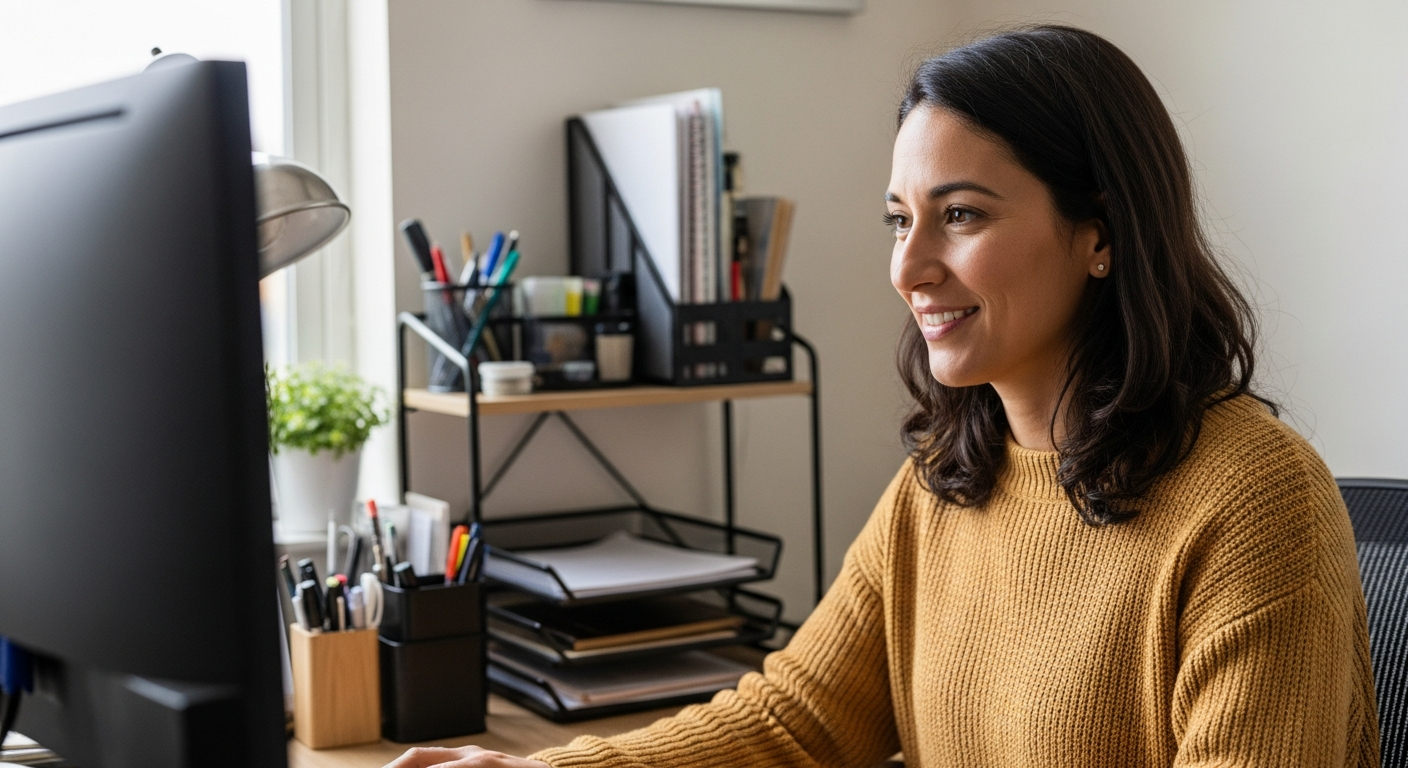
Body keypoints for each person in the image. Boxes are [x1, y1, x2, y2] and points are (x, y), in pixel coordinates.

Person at [387, 25, 1379, 768]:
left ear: (1100, 233)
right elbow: (799, 722)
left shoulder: (1252, 500)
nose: (910, 267)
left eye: (959, 215)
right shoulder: (945, 485)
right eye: (898, 219)